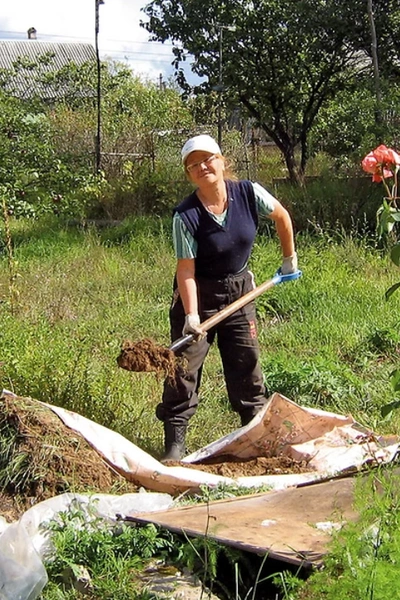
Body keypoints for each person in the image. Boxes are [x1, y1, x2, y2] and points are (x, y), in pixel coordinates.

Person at [156, 134, 298, 461]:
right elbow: (186, 271)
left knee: (246, 364)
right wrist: (191, 316)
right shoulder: (186, 216)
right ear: (189, 174)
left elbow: (282, 217)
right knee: (183, 369)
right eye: (194, 164)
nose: (202, 166)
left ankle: (255, 436)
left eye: (208, 159)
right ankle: (175, 445)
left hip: (239, 292)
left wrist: (289, 259)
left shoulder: (249, 193)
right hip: (199, 295)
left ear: (222, 162)